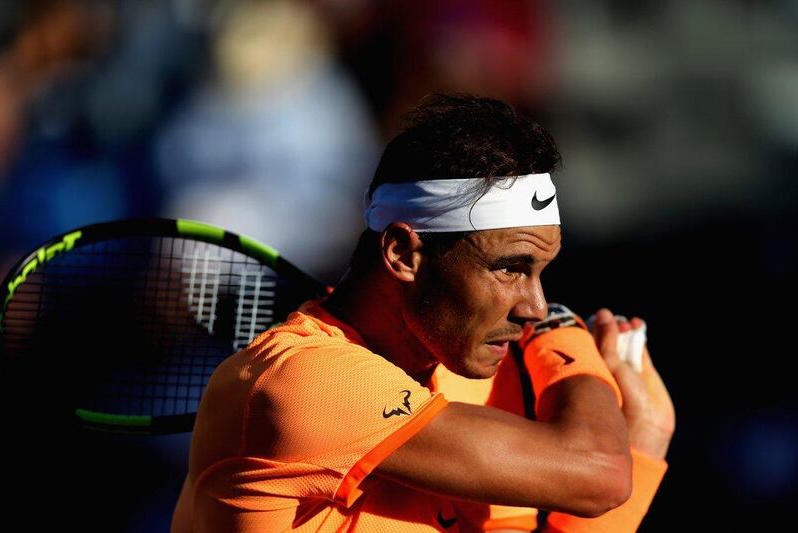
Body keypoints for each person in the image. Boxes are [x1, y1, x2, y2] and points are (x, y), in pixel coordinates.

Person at [171, 93, 675, 532]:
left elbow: (598, 476)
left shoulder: (471, 376)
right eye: (509, 269)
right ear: (404, 255)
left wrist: (644, 444)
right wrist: (566, 342)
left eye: (540, 272)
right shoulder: (301, 381)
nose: (535, 309)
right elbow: (597, 473)